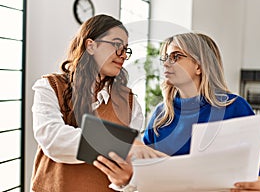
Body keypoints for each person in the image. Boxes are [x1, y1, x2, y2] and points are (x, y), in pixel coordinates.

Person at [30, 14, 163, 192]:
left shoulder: (130, 103)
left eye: (126, 49)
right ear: (90, 45)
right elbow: (53, 139)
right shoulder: (50, 87)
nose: (123, 55)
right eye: (117, 45)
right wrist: (122, 143)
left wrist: (127, 179)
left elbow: (130, 170)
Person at [142, 32, 260, 192]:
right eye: (165, 58)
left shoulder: (235, 107)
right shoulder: (161, 114)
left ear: (199, 66)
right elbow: (144, 165)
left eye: (176, 56)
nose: (166, 63)